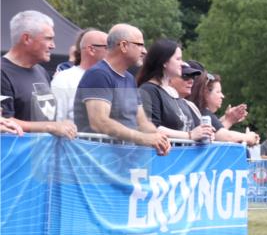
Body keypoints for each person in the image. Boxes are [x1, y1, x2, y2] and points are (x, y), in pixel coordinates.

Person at [74, 24, 169, 154]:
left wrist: (159, 138)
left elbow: (142, 123)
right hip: (97, 162)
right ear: (124, 46)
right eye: (140, 45)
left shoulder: (129, 78)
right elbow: (99, 122)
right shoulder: (98, 74)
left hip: (122, 163)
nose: (145, 51)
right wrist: (144, 138)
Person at [1, 11, 77, 139]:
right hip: (17, 156)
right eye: (48, 38)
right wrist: (49, 126)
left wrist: (61, 124)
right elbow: (5, 122)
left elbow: (47, 116)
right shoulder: (2, 72)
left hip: (43, 154)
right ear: (27, 39)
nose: (53, 45)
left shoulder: (40, 71)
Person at [136, 39, 214, 143]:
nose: (182, 64)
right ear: (164, 62)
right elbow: (150, 128)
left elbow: (192, 128)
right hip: (163, 157)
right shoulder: (148, 90)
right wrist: (189, 135)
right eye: (178, 59)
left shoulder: (173, 93)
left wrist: (204, 133)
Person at [188, 71, 260, 146]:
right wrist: (248, 137)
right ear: (206, 93)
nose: (222, 96)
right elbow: (226, 136)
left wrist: (229, 120)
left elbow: (217, 134)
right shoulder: (204, 113)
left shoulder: (198, 111)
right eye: (218, 92)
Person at [52, 28, 107, 122]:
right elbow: (57, 122)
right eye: (108, 47)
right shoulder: (64, 79)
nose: (114, 52)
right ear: (91, 50)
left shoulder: (115, 78)